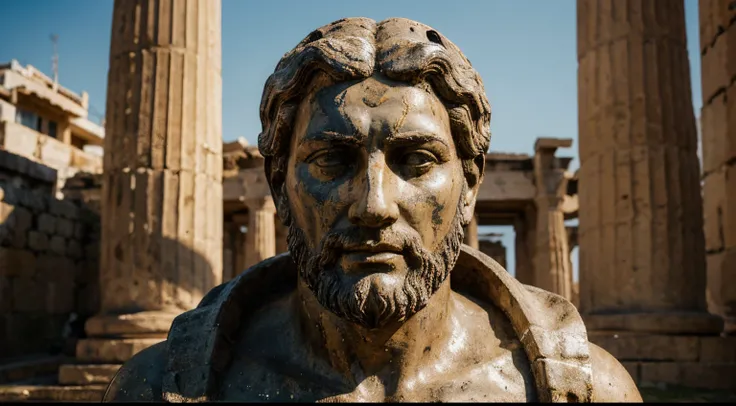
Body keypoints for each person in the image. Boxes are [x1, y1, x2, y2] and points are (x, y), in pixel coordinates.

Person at [103, 17, 642, 402]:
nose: (373, 205)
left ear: (470, 184)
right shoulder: (156, 389)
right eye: (331, 161)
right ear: (276, 182)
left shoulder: (593, 390)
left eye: (416, 160)